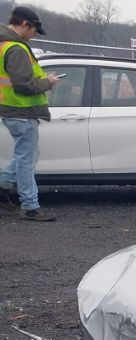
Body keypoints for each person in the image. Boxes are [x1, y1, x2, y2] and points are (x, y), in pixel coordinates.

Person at [0, 5, 60, 221]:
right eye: (34, 30)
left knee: (26, 155)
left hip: (12, 110)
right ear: (25, 24)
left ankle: (3, 184)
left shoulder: (4, 45)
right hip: (22, 111)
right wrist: (48, 82)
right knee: (27, 160)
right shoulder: (16, 48)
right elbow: (24, 85)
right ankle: (30, 207)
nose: (34, 35)